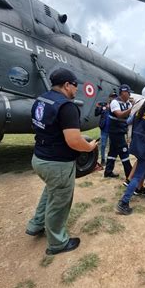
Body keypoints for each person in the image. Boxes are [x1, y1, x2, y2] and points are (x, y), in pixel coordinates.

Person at [26, 68, 97, 255]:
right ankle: (57, 243)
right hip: (57, 163)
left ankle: (36, 224)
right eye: (75, 86)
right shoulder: (67, 106)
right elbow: (74, 140)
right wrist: (89, 147)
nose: (76, 90)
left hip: (40, 157)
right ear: (67, 85)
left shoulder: (42, 100)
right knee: (59, 202)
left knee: (50, 191)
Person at [122, 84, 145, 195]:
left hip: (134, 136)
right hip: (143, 138)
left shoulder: (138, 103)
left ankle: (135, 183)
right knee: (144, 163)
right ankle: (135, 186)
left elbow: (128, 121)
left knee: (141, 161)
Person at [104, 84, 133, 178]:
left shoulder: (129, 103)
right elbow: (119, 115)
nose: (129, 94)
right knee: (124, 151)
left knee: (112, 152)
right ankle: (130, 175)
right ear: (123, 92)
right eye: (128, 92)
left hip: (122, 130)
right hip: (115, 132)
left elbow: (131, 117)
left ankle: (108, 172)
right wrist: (131, 109)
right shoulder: (114, 102)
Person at [95, 92, 117, 166]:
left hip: (112, 129)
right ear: (109, 98)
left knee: (112, 145)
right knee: (103, 145)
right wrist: (98, 107)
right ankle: (103, 160)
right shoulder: (104, 106)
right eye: (112, 97)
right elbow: (96, 113)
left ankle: (110, 159)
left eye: (114, 97)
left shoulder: (116, 107)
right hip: (104, 129)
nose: (113, 98)